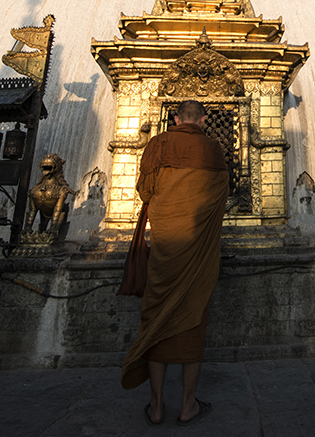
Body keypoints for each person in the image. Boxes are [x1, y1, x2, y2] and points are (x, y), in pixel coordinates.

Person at [120, 99, 228, 426]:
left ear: (176, 117)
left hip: (165, 245)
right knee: (192, 319)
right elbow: (222, 194)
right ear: (204, 120)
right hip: (197, 250)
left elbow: (145, 191)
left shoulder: (158, 144)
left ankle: (155, 406)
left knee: (156, 319)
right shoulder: (213, 149)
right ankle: (187, 405)